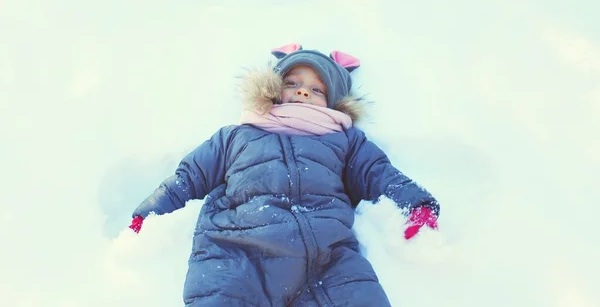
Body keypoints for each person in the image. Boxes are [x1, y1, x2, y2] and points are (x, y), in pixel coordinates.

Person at [129, 43, 440, 306]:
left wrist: (414, 204)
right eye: (292, 83)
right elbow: (189, 175)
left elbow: (378, 173)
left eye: (316, 89)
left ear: (332, 102)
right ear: (274, 90)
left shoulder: (342, 139)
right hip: (238, 249)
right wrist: (152, 211)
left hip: (325, 257)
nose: (303, 91)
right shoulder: (238, 135)